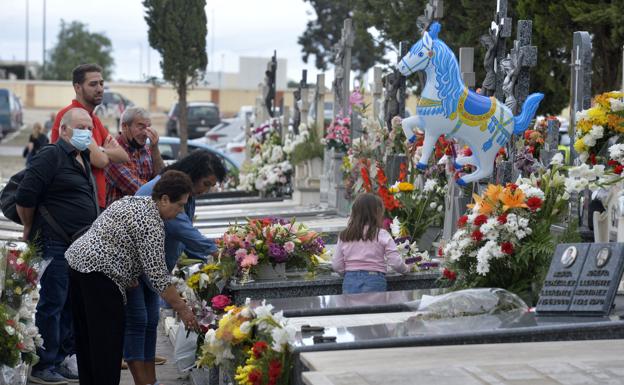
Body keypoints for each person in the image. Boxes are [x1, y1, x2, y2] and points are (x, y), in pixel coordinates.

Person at [65, 170, 199, 385]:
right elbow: (157, 276)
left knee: (88, 340)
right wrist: (182, 309)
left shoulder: (131, 202)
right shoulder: (153, 223)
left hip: (77, 266)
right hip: (101, 277)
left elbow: (110, 236)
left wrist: (128, 273)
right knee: (107, 346)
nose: (181, 211)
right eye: (180, 205)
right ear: (164, 199)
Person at [125, 150, 226, 385]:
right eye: (206, 183)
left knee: (150, 322)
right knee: (138, 322)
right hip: (134, 270)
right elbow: (183, 231)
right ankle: (143, 382)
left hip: (153, 269)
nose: (206, 190)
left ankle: (151, 381)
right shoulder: (163, 191)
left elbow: (184, 237)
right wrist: (222, 250)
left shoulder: (183, 193)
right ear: (195, 174)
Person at [17, 108, 100, 385]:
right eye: (80, 127)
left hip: (78, 245)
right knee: (52, 303)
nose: (86, 132)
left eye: (89, 128)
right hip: (54, 242)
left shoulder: (82, 157)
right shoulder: (51, 155)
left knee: (69, 305)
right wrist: (30, 228)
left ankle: (61, 358)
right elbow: (26, 195)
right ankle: (43, 365)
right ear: (64, 130)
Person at [50, 63, 130, 211]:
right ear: (77, 88)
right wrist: (103, 152)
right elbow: (100, 161)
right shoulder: (71, 116)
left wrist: (99, 149)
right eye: (93, 84)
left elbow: (123, 155)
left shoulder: (94, 120)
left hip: (94, 201)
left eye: (101, 83)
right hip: (73, 203)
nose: (100, 89)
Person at [331, 193, 410, 294]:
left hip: (350, 280)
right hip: (375, 280)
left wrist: (349, 273)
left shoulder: (345, 235)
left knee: (351, 309)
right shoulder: (382, 234)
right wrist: (407, 269)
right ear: (377, 213)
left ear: (354, 213)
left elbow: (337, 265)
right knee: (374, 309)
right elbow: (395, 263)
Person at [104, 106, 164, 207]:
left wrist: (155, 149)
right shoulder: (113, 151)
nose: (146, 133)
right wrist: (165, 191)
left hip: (145, 215)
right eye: (141, 127)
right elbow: (139, 190)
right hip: (120, 218)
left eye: (148, 127)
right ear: (124, 127)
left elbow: (161, 176)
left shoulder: (147, 149)